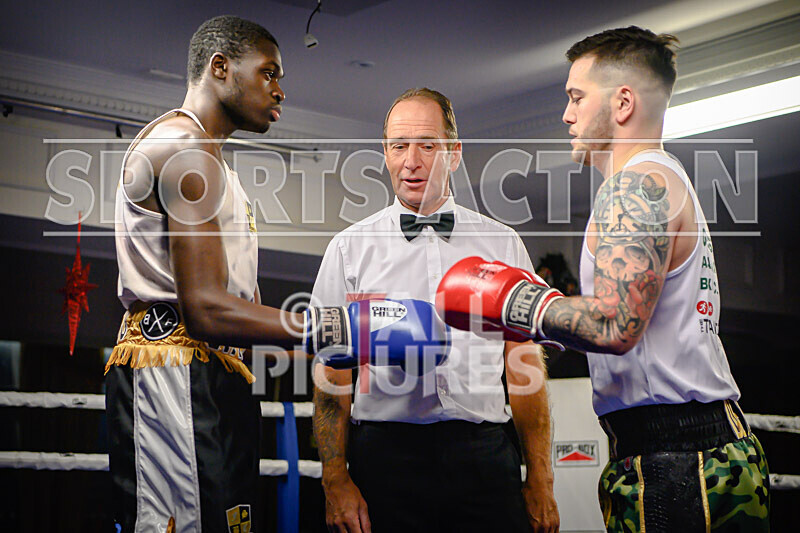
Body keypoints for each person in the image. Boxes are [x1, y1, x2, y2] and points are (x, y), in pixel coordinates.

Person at [104, 16, 444, 532]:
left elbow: (235, 310)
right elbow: (207, 308)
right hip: (175, 368)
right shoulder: (183, 148)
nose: (280, 90)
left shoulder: (213, 162)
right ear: (220, 68)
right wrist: (343, 329)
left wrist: (346, 338)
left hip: (212, 374)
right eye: (268, 73)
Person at [436, 27, 770, 532]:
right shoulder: (658, 178)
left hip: (677, 459)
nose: (566, 115)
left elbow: (615, 325)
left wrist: (516, 301)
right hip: (680, 451)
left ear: (623, 102)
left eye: (576, 97)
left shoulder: (636, 187)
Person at [311, 88, 560, 533]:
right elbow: (331, 372)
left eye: (427, 145)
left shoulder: (502, 244)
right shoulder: (348, 249)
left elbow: (525, 369)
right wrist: (335, 479)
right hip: (385, 458)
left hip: (485, 456)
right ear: (385, 153)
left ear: (455, 153)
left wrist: (541, 477)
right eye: (398, 146)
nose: (411, 161)